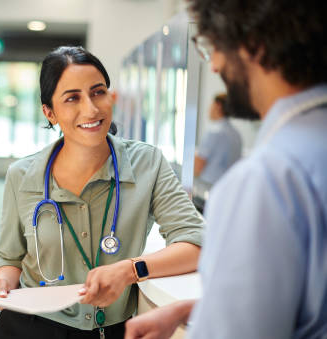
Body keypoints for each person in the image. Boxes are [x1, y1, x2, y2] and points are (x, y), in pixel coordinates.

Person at [125, 0, 327, 338]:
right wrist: (190, 309)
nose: (215, 66)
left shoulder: (265, 180)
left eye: (215, 47)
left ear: (253, 44)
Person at [0, 46, 204, 339]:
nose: (91, 109)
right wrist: (3, 282)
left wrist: (129, 270)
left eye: (98, 92)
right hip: (29, 328)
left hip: (109, 330)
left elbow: (196, 243)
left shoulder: (147, 163)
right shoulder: (22, 175)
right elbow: (9, 258)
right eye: (72, 98)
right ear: (50, 112)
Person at [194, 93, 242, 185]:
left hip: (209, 188)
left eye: (211, 105)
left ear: (218, 106)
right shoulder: (236, 135)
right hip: (229, 187)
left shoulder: (213, 132)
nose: (209, 110)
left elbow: (197, 166)